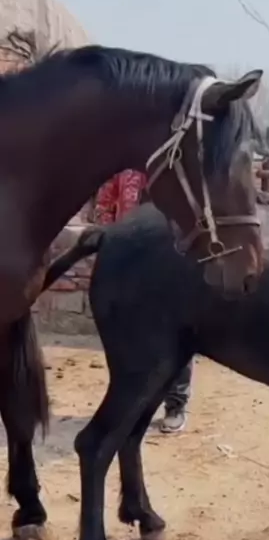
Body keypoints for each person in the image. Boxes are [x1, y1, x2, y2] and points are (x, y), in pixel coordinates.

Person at [93, 170, 194, 433]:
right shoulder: (123, 170)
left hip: (170, 257)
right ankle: (130, 406)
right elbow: (104, 203)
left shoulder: (176, 165)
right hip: (130, 257)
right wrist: (111, 240)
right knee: (128, 340)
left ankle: (175, 404)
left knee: (178, 333)